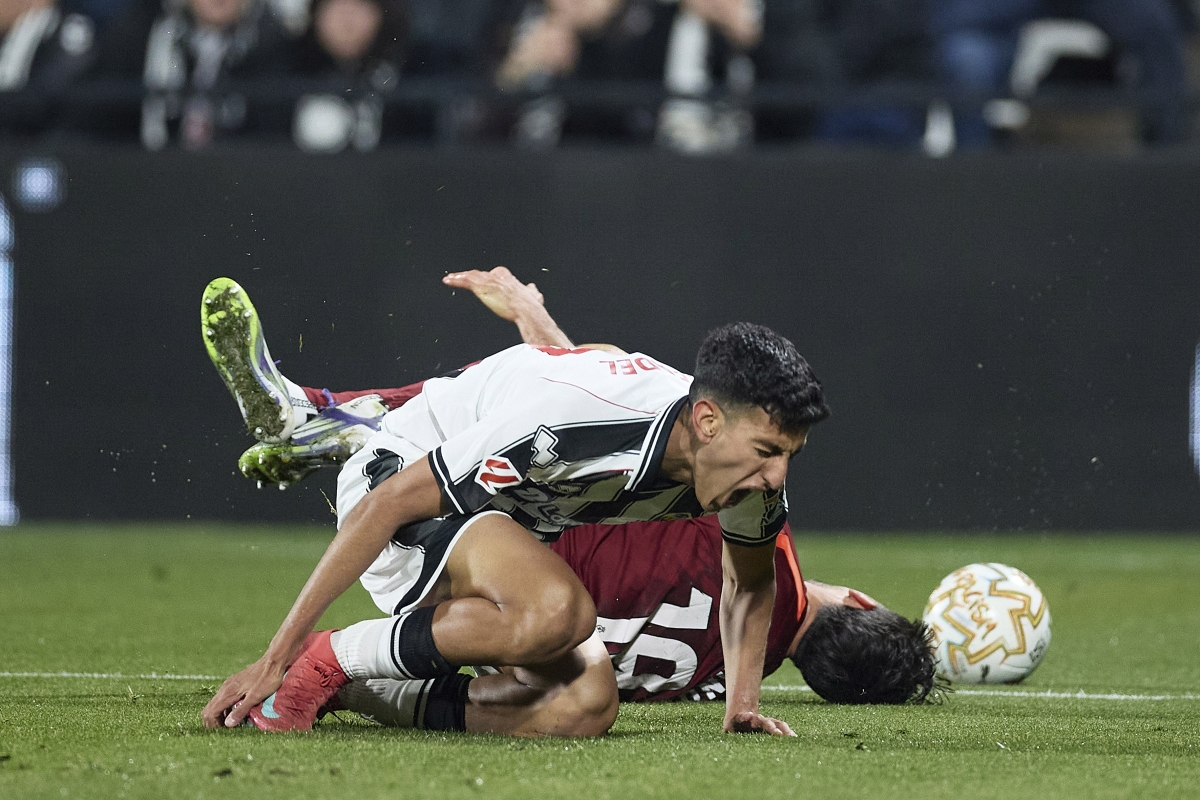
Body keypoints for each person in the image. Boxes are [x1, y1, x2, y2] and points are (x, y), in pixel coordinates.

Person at [199, 271, 937, 729]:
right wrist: (278, 654)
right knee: (559, 611)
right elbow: (387, 504)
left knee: (586, 705)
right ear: (709, 422)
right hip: (402, 486)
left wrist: (742, 705)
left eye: (789, 457)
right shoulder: (573, 427)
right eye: (768, 452)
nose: (776, 478)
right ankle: (326, 650)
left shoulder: (740, 473)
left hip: (501, 524)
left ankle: (363, 691)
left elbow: (749, 584)